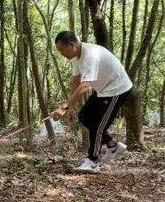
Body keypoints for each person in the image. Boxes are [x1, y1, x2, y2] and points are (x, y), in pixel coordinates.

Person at [51, 31, 133, 173]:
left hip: (117, 89)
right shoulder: (75, 57)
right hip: (102, 89)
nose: (62, 54)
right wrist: (70, 108)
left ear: (72, 45)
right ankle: (113, 146)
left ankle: (93, 161)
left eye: (63, 50)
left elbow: (85, 86)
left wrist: (64, 107)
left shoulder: (91, 55)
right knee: (85, 116)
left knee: (100, 126)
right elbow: (77, 81)